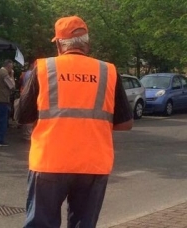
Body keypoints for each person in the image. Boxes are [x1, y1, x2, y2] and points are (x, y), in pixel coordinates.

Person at [18, 16, 133, 228]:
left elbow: (22, 116)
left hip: (49, 161)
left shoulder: (43, 68)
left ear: (60, 44)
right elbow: (126, 122)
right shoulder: (108, 71)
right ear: (87, 43)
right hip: (93, 163)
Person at [20, 61, 35, 141]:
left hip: (25, 94)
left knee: (27, 114)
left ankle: (26, 134)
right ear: (31, 65)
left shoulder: (26, 74)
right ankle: (28, 135)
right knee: (30, 115)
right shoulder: (31, 74)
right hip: (29, 95)